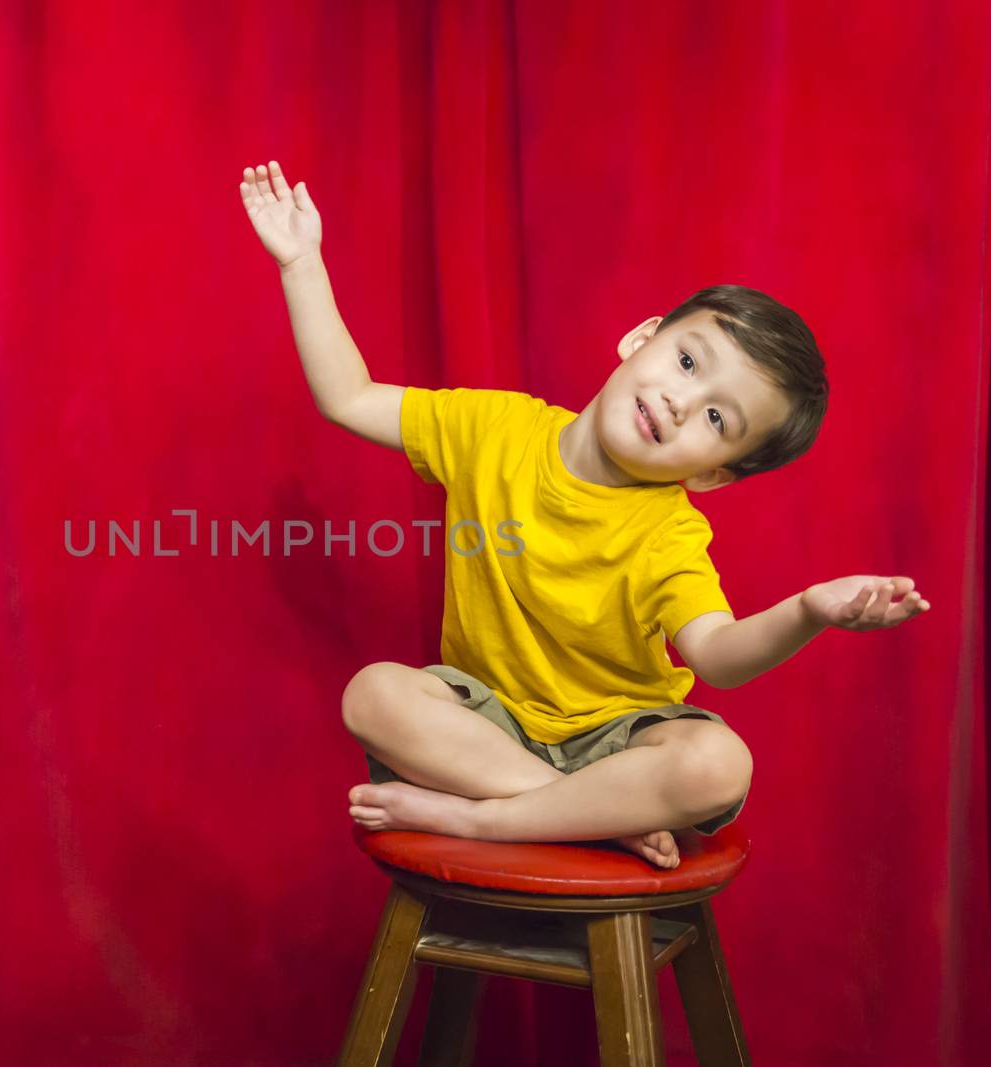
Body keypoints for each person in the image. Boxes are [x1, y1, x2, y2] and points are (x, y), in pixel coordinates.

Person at [238, 160, 931, 868]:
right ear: (642, 339)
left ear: (711, 474)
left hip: (619, 740)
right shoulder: (495, 428)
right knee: (373, 694)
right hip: (490, 728)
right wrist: (301, 263)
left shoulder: (669, 531)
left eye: (717, 418)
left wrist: (808, 610)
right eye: (689, 363)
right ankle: (584, 816)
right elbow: (349, 397)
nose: (680, 402)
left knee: (720, 762)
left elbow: (717, 658)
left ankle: (483, 822)